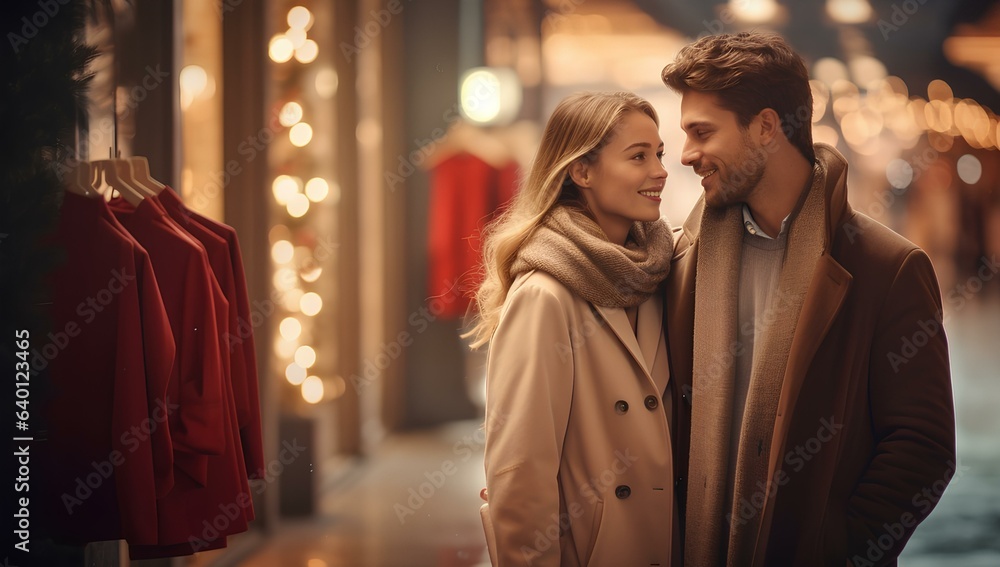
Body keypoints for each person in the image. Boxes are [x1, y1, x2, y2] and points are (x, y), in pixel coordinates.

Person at [660, 31, 957, 566]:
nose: (686, 155)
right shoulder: (685, 263)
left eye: (702, 132)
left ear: (767, 127)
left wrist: (838, 546)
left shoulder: (888, 269)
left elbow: (922, 448)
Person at [467, 91, 677, 566]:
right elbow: (520, 468)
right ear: (582, 172)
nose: (661, 170)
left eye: (659, 153)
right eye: (638, 156)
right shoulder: (545, 294)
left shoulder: (657, 270)